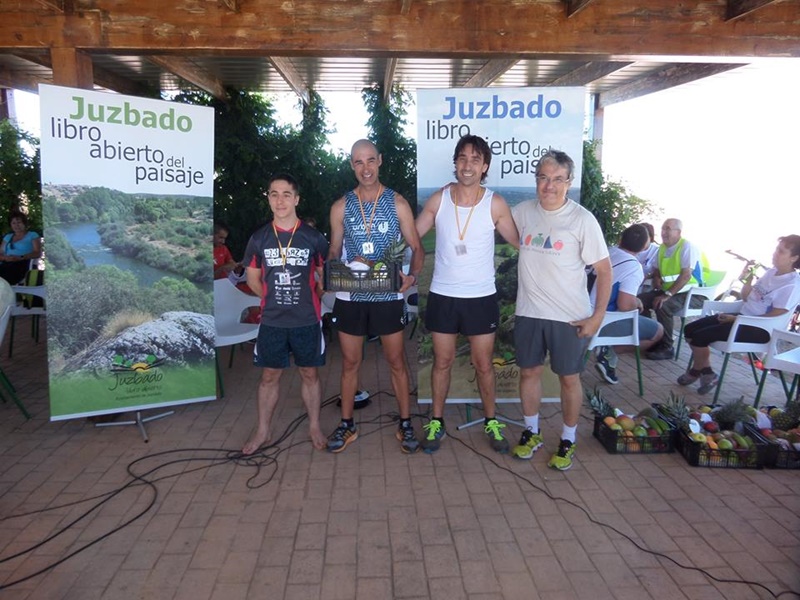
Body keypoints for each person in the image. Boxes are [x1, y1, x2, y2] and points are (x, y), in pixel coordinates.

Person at [415, 134, 519, 453]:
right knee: (442, 362)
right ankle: (436, 421)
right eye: (462, 158)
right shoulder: (439, 199)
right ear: (456, 163)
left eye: (475, 159)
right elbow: (412, 235)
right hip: (443, 295)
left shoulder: (495, 203)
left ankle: (491, 421)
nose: (468, 165)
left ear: (485, 166)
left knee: (483, 364)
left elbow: (520, 242)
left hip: (481, 297)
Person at [511, 150, 612, 471]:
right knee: (529, 373)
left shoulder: (582, 220)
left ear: (569, 182)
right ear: (536, 180)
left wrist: (597, 317)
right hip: (529, 312)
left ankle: (568, 438)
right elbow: (495, 221)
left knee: (569, 379)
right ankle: (531, 432)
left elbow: (605, 270)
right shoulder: (523, 212)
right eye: (543, 178)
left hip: (569, 317)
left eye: (557, 179)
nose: (549, 186)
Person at [326, 139, 424, 454]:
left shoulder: (398, 203)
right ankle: (347, 424)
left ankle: (405, 423)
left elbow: (417, 247)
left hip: (386, 295)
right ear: (351, 165)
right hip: (351, 295)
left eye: (370, 160)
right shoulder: (341, 206)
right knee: (350, 362)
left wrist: (412, 277)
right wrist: (331, 270)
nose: (365, 168)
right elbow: (334, 249)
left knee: (396, 361)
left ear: (379, 160)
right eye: (358, 162)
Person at [240, 173, 329, 454]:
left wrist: (312, 297)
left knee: (309, 373)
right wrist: (270, 299)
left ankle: (314, 426)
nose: (280, 201)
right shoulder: (259, 238)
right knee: (269, 376)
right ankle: (263, 431)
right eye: (274, 194)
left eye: (286, 194)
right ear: (268, 198)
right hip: (272, 321)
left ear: (296, 199)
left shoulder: (313, 238)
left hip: (306, 319)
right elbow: (252, 279)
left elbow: (324, 276)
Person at [678, 235, 800, 394]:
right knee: (690, 329)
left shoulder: (792, 284)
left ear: (794, 258)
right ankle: (707, 372)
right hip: (741, 317)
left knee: (700, 337)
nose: (775, 253)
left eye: (781, 251)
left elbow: (777, 314)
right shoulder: (771, 272)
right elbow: (747, 298)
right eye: (777, 249)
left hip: (760, 329)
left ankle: (698, 372)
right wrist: (748, 280)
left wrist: (737, 319)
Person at [591, 224, 665, 384]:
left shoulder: (606, 252)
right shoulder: (633, 267)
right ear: (644, 247)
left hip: (578, 311)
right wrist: (637, 302)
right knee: (658, 331)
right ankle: (607, 350)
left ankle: (604, 349)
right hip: (601, 320)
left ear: (620, 239)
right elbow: (624, 305)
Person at [637, 218, 709, 360]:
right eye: (663, 228)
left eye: (668, 229)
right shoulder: (662, 248)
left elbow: (686, 275)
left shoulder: (687, 247)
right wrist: (656, 277)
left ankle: (667, 346)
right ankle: (651, 337)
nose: (663, 232)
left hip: (692, 293)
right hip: (670, 291)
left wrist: (667, 295)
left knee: (663, 305)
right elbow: (657, 269)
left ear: (678, 232)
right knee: (638, 301)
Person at [0, 212, 42, 284]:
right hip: (7, 263)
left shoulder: (32, 235)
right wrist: (5, 258)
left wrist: (21, 257)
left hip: (24, 264)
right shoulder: (8, 237)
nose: (16, 225)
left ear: (24, 223)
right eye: (13, 223)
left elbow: (37, 253)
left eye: (19, 222)